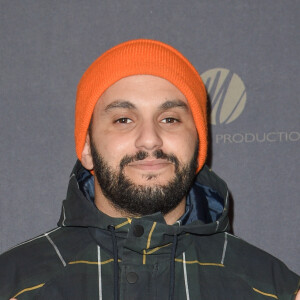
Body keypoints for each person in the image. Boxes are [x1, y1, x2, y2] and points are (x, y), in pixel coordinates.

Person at [1, 39, 299, 300]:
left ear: (198, 146)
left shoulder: (273, 290)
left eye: (169, 119)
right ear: (87, 149)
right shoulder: (13, 284)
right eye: (123, 120)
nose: (149, 138)